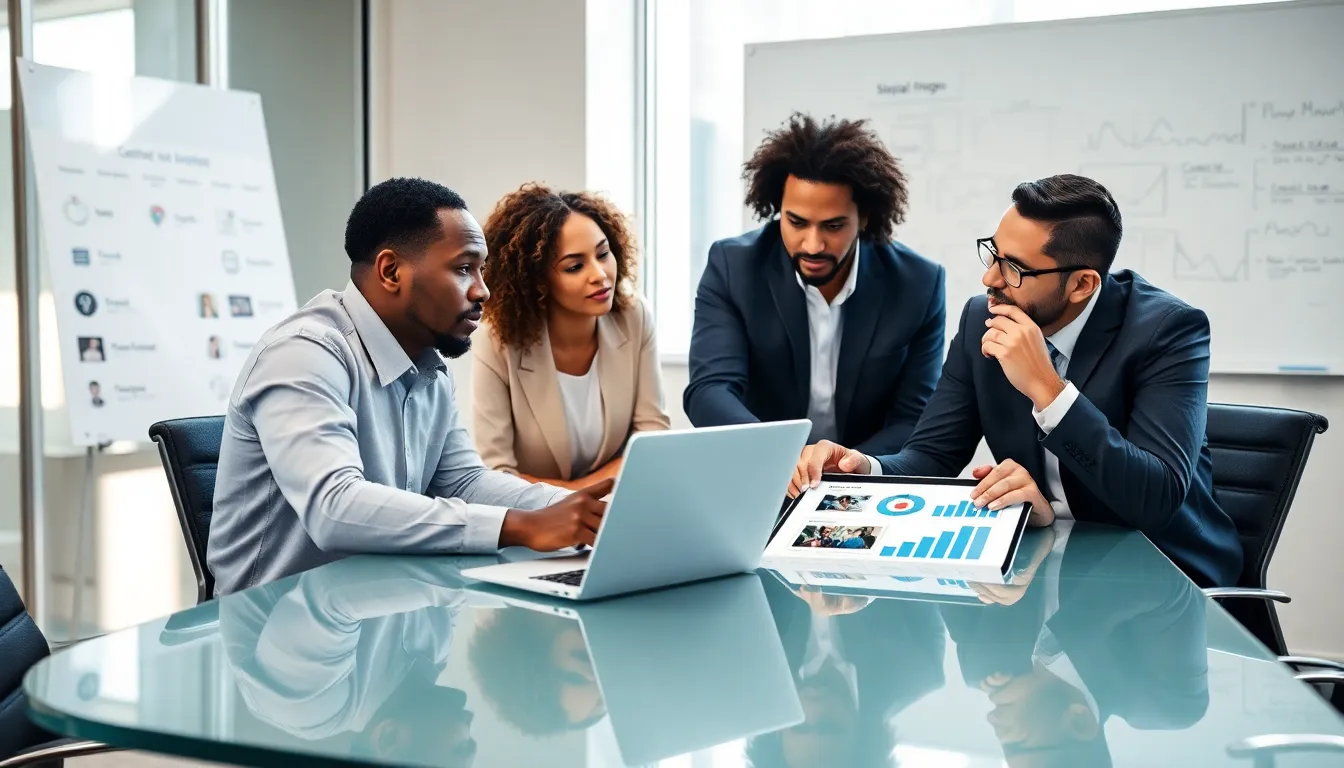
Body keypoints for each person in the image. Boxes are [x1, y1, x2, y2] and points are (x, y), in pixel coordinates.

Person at [792, 174, 1242, 587]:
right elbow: (931, 454)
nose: (989, 279)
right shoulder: (980, 319)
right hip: (1041, 569)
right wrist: (864, 469)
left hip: (1159, 582)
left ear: (1082, 284)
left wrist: (1048, 389)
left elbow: (1156, 497)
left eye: (1014, 269)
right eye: (993, 253)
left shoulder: (1168, 331)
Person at [208, 177, 613, 595]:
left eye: (482, 269)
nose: (483, 290)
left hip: (374, 610)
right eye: (462, 268)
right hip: (272, 629)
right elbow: (335, 507)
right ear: (390, 271)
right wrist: (519, 526)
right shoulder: (303, 353)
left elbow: (464, 482)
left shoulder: (428, 365)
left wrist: (579, 513)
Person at [684, 113, 946, 458]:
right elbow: (710, 391)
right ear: (777, 209)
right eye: (796, 222)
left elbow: (914, 416)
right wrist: (784, 456)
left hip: (864, 476)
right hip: (762, 466)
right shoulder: (733, 267)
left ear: (864, 218)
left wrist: (846, 465)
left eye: (833, 226)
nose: (812, 245)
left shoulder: (918, 284)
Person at [472, 183, 670, 489]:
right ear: (536, 279)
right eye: (575, 266)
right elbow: (496, 475)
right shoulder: (497, 340)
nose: (600, 275)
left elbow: (652, 441)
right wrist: (586, 492)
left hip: (617, 508)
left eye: (603, 254)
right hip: (535, 523)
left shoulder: (634, 315)